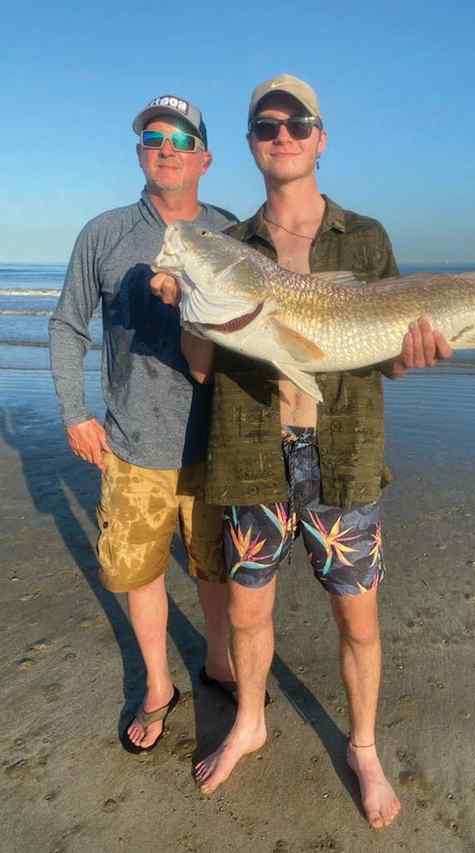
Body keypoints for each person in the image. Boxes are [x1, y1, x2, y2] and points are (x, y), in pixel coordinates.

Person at [152, 75, 451, 827]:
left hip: (343, 455)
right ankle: (250, 719)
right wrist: (189, 298)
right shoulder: (231, 244)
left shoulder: (368, 238)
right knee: (248, 616)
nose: (281, 135)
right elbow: (198, 365)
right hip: (252, 454)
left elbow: (383, 355)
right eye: (266, 125)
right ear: (252, 144)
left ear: (321, 138)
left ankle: (365, 746)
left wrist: (410, 350)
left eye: (297, 123)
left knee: (358, 619)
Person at [49, 94, 237, 754]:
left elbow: (264, 330)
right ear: (139, 153)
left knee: (215, 569)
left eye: (181, 139)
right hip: (132, 443)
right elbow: (68, 325)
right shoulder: (102, 233)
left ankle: (219, 666)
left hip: (217, 445)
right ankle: (159, 684)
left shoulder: (232, 232)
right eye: (153, 137)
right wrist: (74, 413)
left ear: (205, 159)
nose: (166, 147)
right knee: (141, 572)